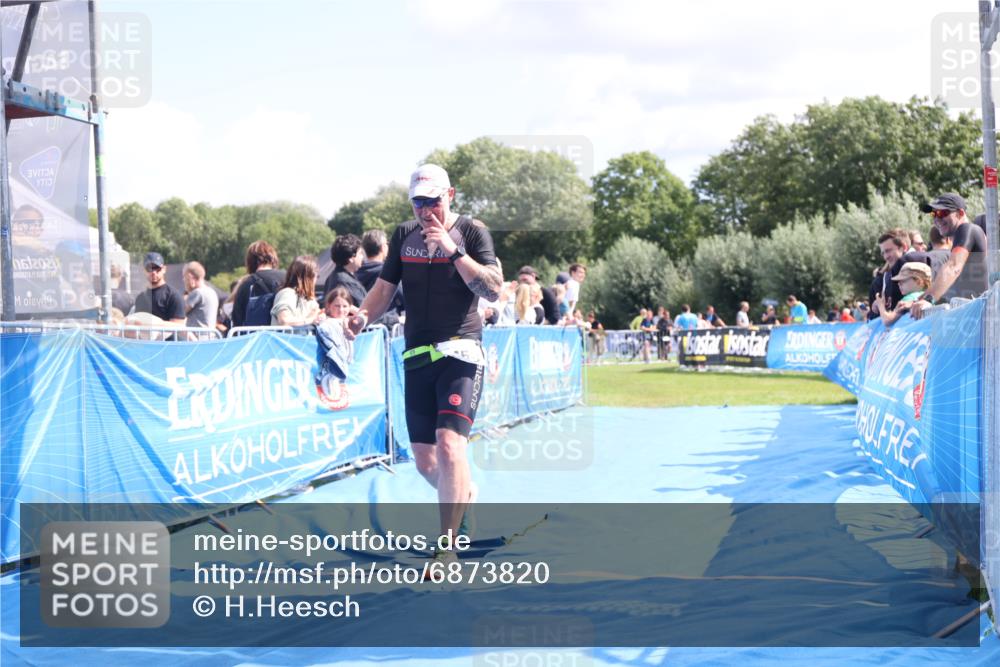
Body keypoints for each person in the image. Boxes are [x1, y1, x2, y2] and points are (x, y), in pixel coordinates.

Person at [349, 163, 502, 560]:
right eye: (417, 202)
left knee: (451, 445)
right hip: (417, 354)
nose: (425, 211)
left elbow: (492, 289)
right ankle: (464, 495)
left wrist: (454, 252)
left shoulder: (471, 232)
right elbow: (383, 291)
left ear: (450, 196)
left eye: (432, 201)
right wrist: (362, 316)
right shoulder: (404, 235)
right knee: (424, 460)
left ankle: (447, 547)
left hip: (461, 352)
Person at [910, 193, 990, 319]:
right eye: (934, 214)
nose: (937, 219)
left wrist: (929, 299)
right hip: (972, 319)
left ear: (960, 213)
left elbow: (953, 267)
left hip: (979, 322)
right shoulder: (962, 238)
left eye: (942, 213)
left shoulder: (967, 229)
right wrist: (918, 301)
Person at [315, 286, 357, 407]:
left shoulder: (351, 322)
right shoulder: (325, 323)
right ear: (328, 306)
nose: (341, 310)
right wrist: (321, 314)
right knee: (329, 398)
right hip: (330, 368)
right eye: (337, 306)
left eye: (344, 306)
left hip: (346, 368)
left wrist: (350, 309)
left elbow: (363, 313)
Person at [231, 240, 285, 328]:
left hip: (256, 338)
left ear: (250, 261)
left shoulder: (246, 284)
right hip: (285, 337)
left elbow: (237, 320)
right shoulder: (286, 278)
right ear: (273, 258)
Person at [129, 251, 184, 329]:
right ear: (144, 270)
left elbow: (179, 327)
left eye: (157, 268)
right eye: (149, 268)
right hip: (144, 340)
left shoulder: (173, 296)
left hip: (168, 341)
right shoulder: (140, 298)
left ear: (164, 269)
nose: (153, 272)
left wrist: (155, 324)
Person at [874, 262, 932, 327]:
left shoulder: (910, 298)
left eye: (902, 281)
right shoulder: (928, 298)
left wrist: (880, 305)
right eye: (898, 281)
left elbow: (887, 321)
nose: (898, 284)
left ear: (918, 281)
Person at [270, 255, 323, 326]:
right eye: (317, 276)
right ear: (308, 277)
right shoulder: (287, 294)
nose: (316, 280)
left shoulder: (308, 299)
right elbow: (284, 321)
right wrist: (310, 319)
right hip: (284, 337)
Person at [869, 229, 909, 320]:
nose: (886, 257)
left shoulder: (916, 271)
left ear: (903, 247)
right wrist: (878, 306)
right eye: (883, 253)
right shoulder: (885, 278)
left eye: (888, 251)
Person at [323, 234, 368, 308]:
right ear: (351, 258)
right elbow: (363, 307)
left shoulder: (332, 277)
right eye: (360, 253)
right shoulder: (345, 281)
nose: (362, 257)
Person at [183, 261, 218, 330]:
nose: (183, 280)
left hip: (196, 338)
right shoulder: (212, 292)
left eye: (185, 277)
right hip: (209, 336)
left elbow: (180, 313)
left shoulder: (197, 293)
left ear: (190, 277)